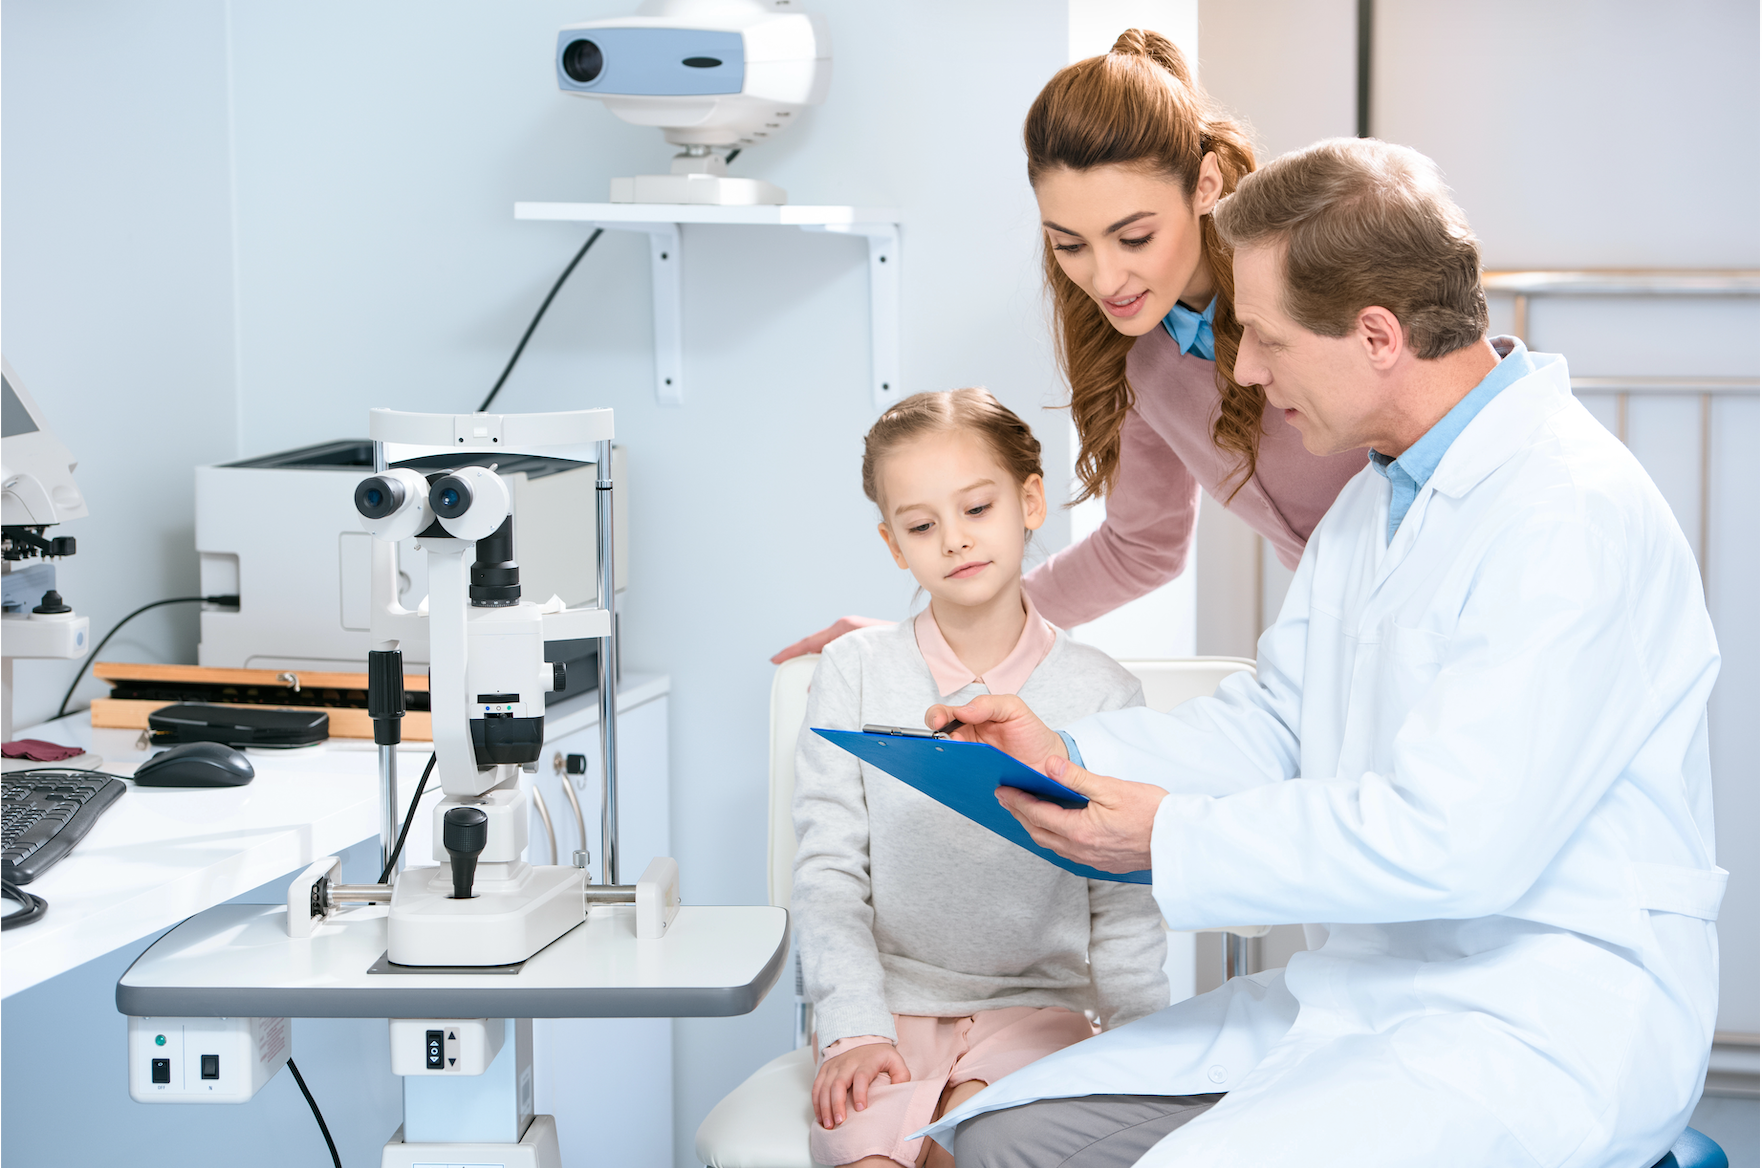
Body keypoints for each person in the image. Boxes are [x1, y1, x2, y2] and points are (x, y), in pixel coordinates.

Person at [913, 139, 1725, 1168]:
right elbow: (1282, 722)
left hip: (1538, 1016)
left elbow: (1454, 839)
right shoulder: (1373, 501)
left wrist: (1170, 837)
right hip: (1370, 997)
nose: (1241, 369)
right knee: (987, 1141)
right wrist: (1068, 753)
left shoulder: (1568, 513)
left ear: (1376, 336)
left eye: (1265, 338)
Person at [771, 31, 1363, 664]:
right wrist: (939, 636)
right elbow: (1140, 548)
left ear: (1206, 185)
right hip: (1338, 619)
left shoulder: (1315, 268)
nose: (1104, 280)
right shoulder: (1137, 355)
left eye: (1134, 237)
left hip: (1436, 588)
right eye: (1071, 245)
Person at [793, 389, 1170, 1168]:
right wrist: (853, 1030)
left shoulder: (1103, 691)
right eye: (923, 526)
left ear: (1031, 500)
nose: (955, 541)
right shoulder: (853, 671)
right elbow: (829, 874)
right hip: (886, 1012)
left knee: (980, 1149)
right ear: (894, 544)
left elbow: (1125, 904)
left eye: (976, 509)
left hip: (1040, 1011)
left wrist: (1144, 1049)